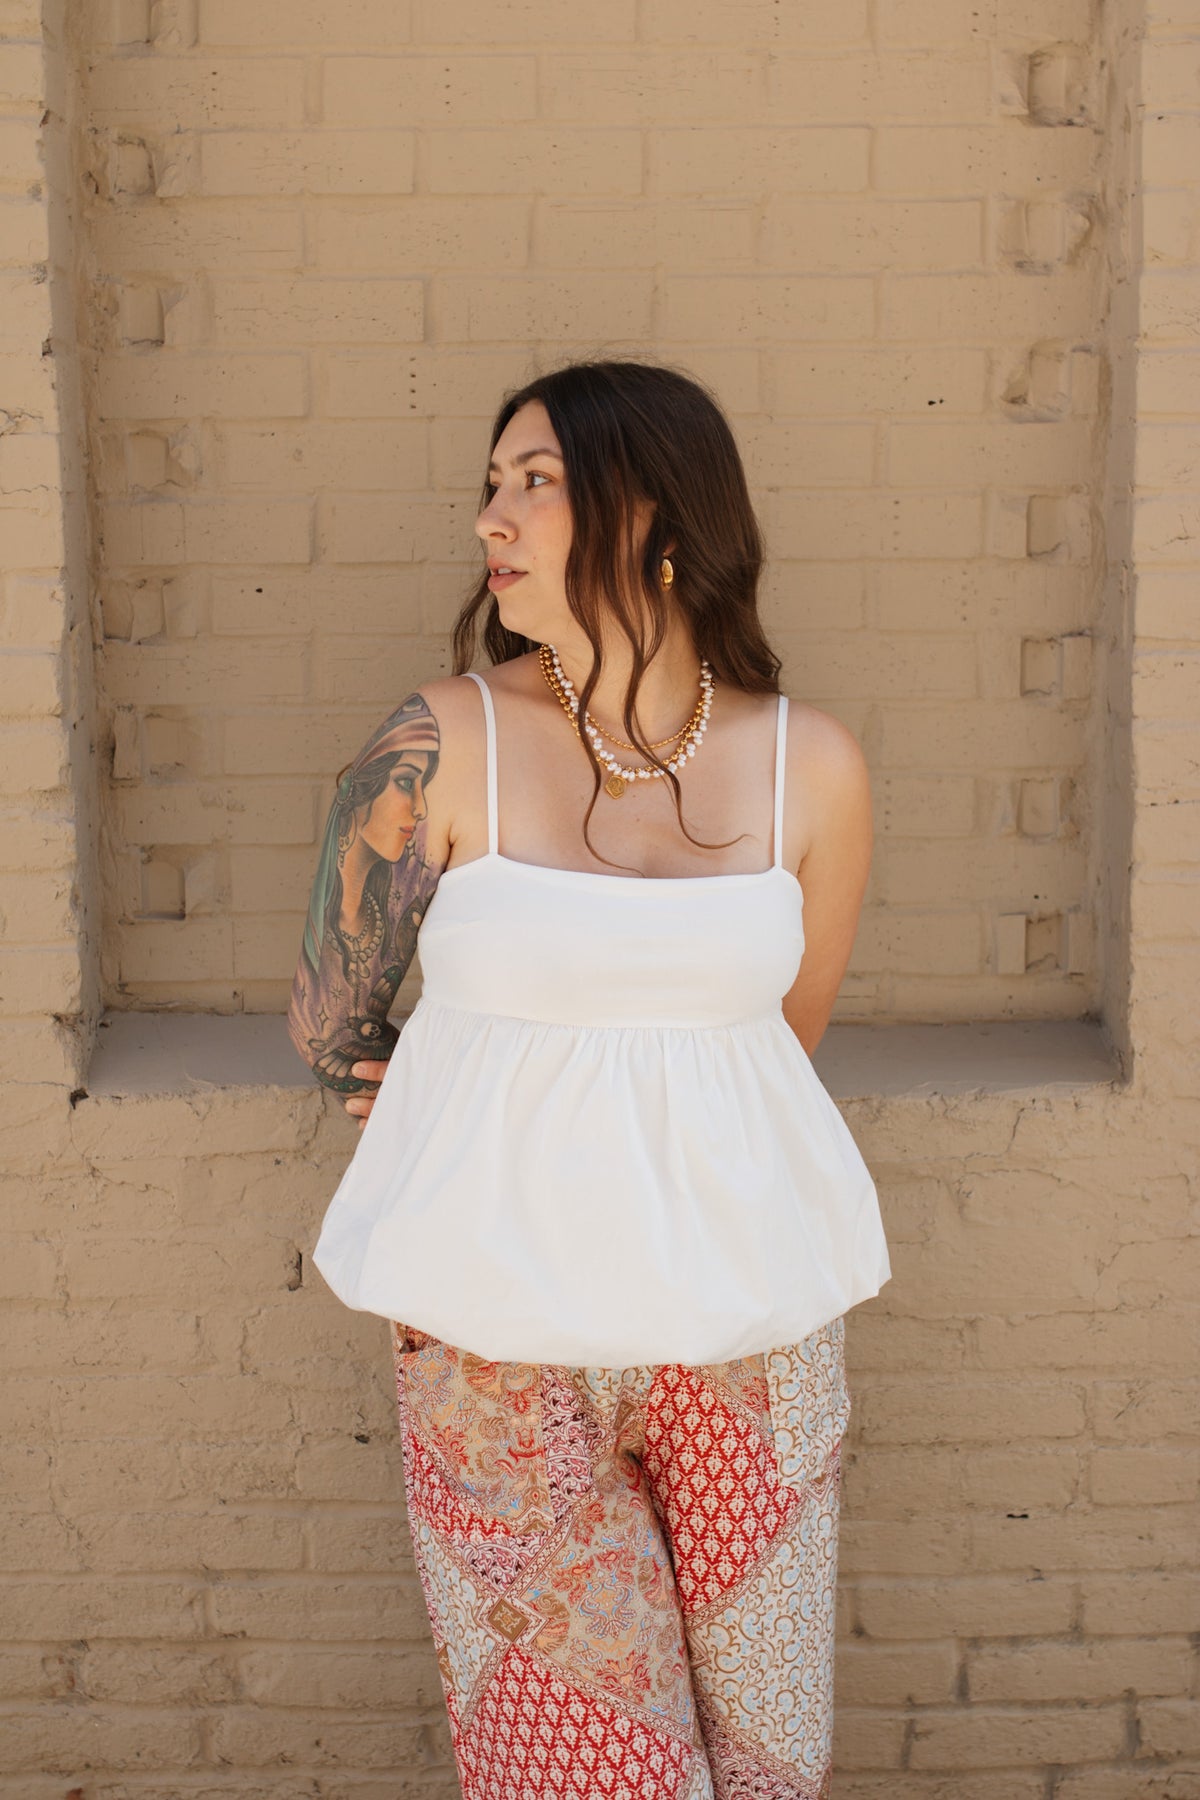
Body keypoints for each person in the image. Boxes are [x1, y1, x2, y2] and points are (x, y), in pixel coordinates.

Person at [288, 359, 891, 1800]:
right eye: (492, 484)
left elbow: (781, 1042)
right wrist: (445, 1098)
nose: (491, 517)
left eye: (537, 481)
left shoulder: (812, 766)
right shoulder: (435, 744)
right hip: (499, 1354)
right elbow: (331, 1019)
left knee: (767, 1771)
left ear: (656, 515)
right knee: (583, 1778)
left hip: (752, 1345)